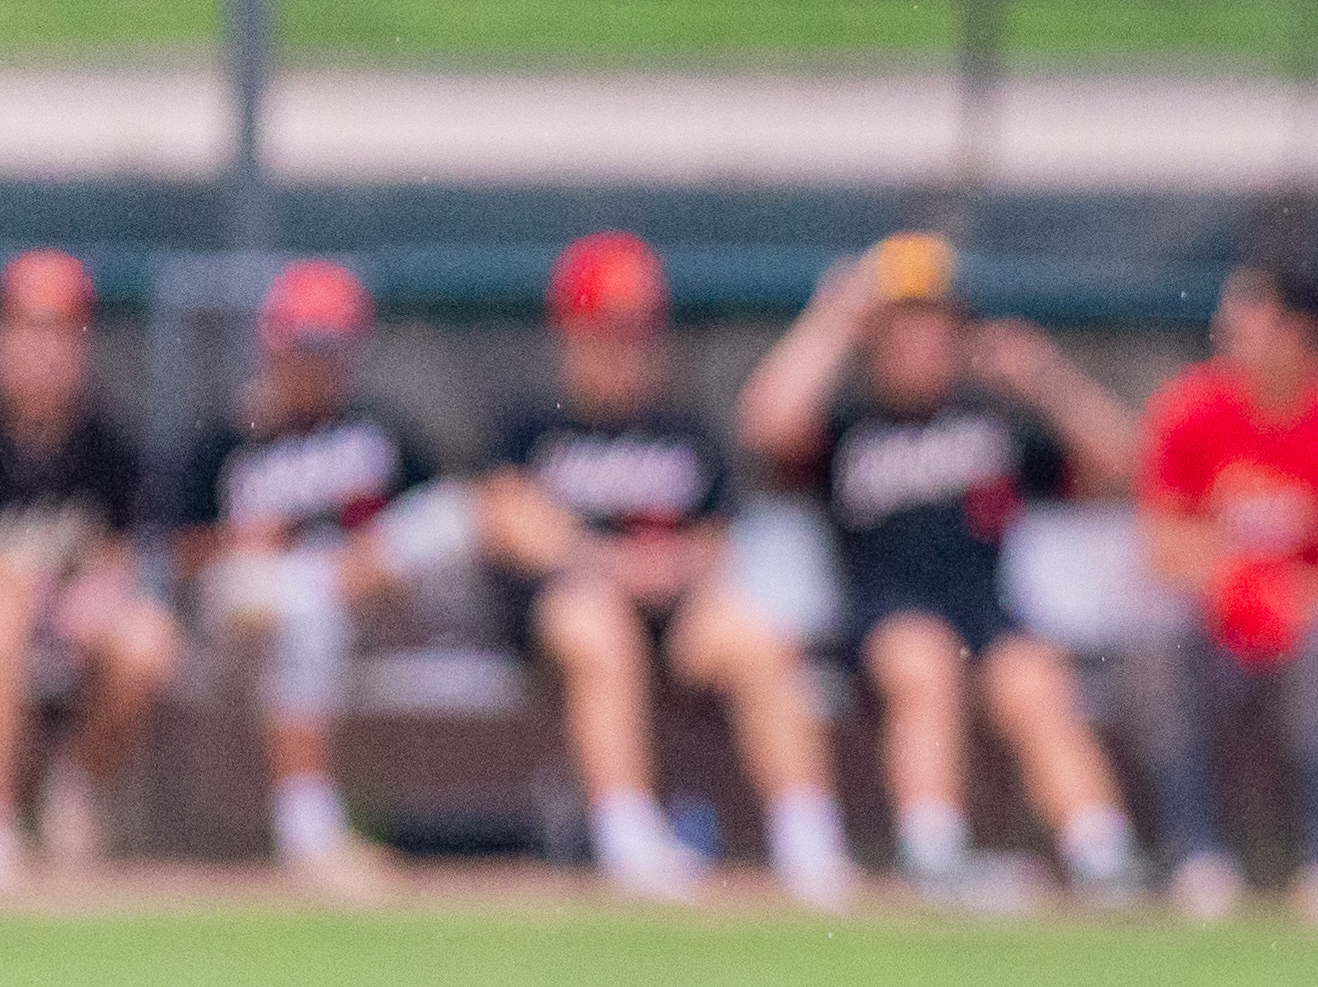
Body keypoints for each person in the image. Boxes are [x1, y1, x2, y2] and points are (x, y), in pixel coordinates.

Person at [735, 232, 1144, 910]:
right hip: (881, 610)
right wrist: (832, 322)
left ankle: (1101, 852)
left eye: (934, 323)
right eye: (902, 324)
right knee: (922, 658)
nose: (918, 341)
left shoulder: (990, 419)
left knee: (1032, 677)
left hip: (986, 608)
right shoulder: (849, 425)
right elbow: (764, 425)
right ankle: (933, 849)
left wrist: (1045, 379)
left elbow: (1125, 463)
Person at [478, 232, 853, 909]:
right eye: (608, 329)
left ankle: (809, 843)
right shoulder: (528, 423)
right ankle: (629, 837)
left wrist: (668, 567)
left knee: (758, 636)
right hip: (561, 616)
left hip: (674, 610)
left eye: (638, 329)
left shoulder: (683, 428)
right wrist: (614, 564)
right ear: (570, 331)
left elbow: (716, 541)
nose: (626, 347)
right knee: (596, 621)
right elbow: (512, 523)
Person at [175, 258, 470, 900]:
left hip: (361, 609)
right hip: (242, 618)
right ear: (274, 346)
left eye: (332, 348)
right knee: (304, 601)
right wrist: (240, 542)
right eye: (307, 346)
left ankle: (318, 826)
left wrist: (361, 564)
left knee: (448, 519)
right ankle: (309, 830)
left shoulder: (379, 431)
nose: (319, 363)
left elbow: (439, 519)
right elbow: (177, 553)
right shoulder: (228, 437)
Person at [1134, 264, 1318, 925]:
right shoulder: (1192, 408)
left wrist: (1294, 599)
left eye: (1246, 326)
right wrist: (1238, 582)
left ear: (1300, 335)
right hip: (1217, 628)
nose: (1226, 338)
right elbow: (1163, 545)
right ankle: (1193, 858)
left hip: (1314, 628)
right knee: (1155, 644)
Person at [0, 249, 176, 886]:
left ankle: (72, 793)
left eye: (63, 333)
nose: (46, 350)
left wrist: (98, 589)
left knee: (147, 638)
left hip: (64, 633)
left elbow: (132, 555)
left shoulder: (111, 446)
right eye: (29, 329)